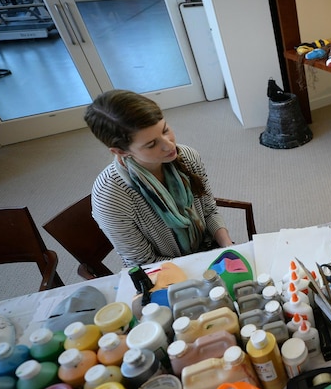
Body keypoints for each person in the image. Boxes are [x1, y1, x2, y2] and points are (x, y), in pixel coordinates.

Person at [86, 90, 234, 267]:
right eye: (151, 144)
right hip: (165, 272)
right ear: (121, 151)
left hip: (208, 252)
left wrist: (228, 247)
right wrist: (203, 264)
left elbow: (209, 211)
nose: (169, 145)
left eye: (165, 130)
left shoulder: (186, 156)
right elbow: (144, 262)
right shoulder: (110, 196)